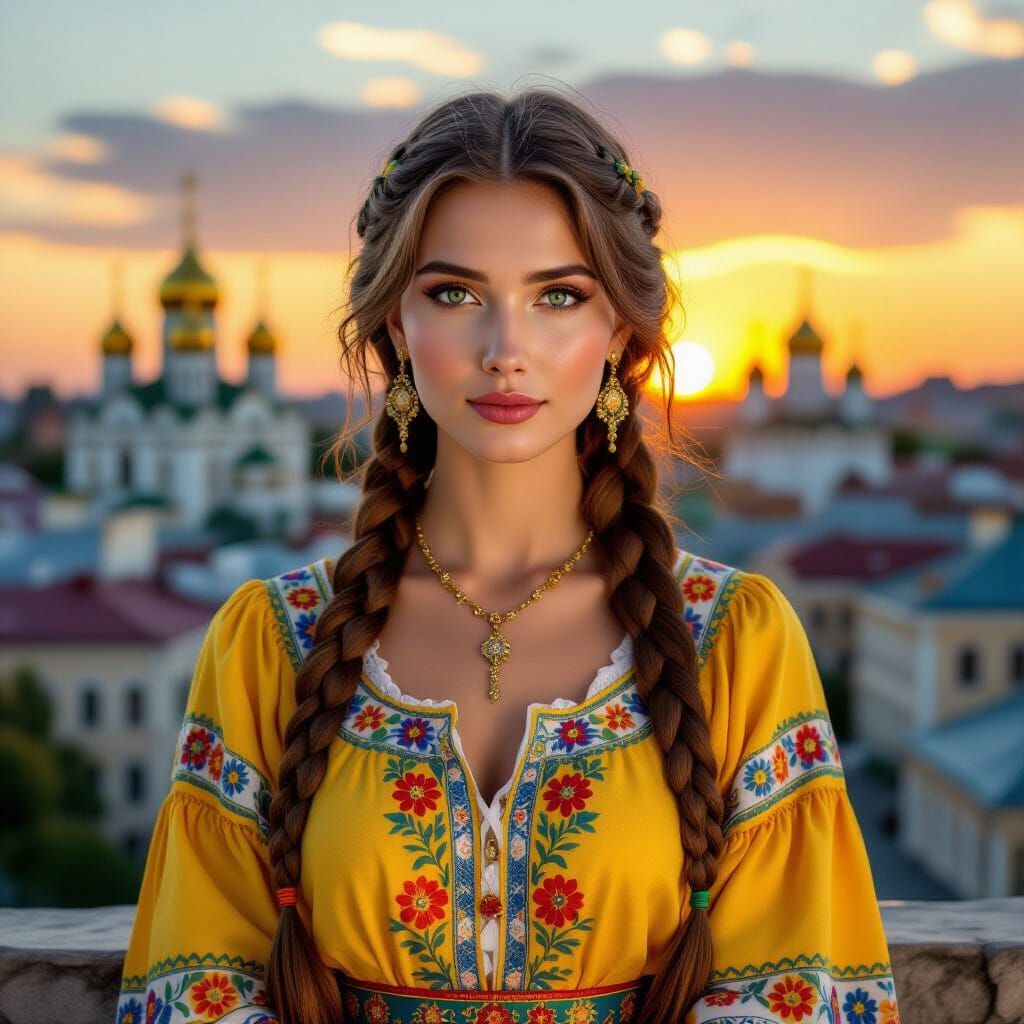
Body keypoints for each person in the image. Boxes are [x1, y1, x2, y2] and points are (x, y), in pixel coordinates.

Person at [115, 87, 900, 1024]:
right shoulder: (268, 646)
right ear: (396, 328)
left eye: (558, 296)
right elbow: (194, 995)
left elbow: (795, 996)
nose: (505, 350)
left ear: (618, 334)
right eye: (455, 294)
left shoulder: (735, 642)